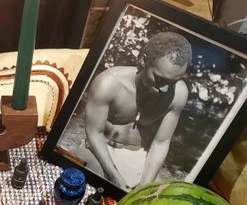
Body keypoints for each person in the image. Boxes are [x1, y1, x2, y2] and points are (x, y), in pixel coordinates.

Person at [74, 31, 192, 190]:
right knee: (81, 174)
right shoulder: (109, 83)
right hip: (101, 153)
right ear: (143, 61)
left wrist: (145, 185)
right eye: (160, 79)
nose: (164, 89)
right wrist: (116, 179)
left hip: (140, 160)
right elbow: (94, 133)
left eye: (172, 82)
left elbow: (161, 141)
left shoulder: (178, 93)